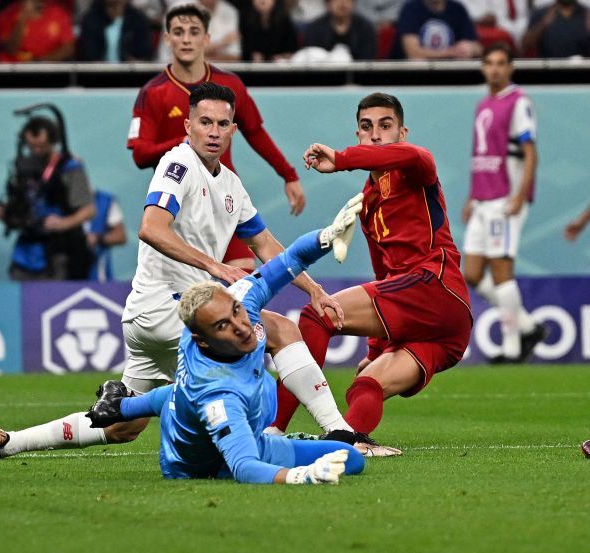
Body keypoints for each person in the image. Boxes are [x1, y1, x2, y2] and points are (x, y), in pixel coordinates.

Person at [0, 83, 394, 460]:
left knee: (121, 426)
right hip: (167, 309)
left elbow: (264, 245)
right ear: (187, 125)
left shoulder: (229, 182)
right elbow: (151, 227)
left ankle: (10, 442)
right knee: (279, 331)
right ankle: (339, 432)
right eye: (204, 122)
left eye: (222, 124)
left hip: (153, 319)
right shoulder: (178, 165)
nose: (213, 131)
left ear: (232, 130)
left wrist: (314, 290)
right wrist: (211, 265)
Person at [85, 231, 369, 484]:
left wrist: (327, 236)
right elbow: (245, 467)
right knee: (238, 411)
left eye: (235, 311)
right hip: (202, 464)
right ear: (203, 340)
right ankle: (122, 408)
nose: (240, 326)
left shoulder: (234, 306)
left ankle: (119, 406)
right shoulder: (219, 395)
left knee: (352, 457)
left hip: (185, 405)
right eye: (223, 326)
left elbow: (288, 260)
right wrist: (301, 475)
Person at [268, 92, 472, 441]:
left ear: (402, 133)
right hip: (446, 331)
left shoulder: (416, 166)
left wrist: (343, 158)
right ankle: (350, 441)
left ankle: (272, 430)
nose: (375, 134)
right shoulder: (367, 203)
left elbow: (411, 155)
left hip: (434, 287)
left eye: (385, 126)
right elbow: (384, 277)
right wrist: (375, 350)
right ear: (358, 134)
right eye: (366, 127)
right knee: (366, 384)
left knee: (319, 315)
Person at [128, 3, 305, 272]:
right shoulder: (153, 93)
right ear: (167, 39)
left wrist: (289, 174)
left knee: (242, 286)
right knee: (193, 298)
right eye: (178, 31)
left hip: (225, 200)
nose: (186, 39)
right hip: (182, 208)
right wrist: (186, 142)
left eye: (194, 31)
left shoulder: (231, 84)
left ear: (206, 38)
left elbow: (255, 132)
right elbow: (140, 154)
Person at [462, 44, 546, 364]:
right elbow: (482, 155)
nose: (494, 69)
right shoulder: (484, 104)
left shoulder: (518, 102)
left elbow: (530, 152)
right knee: (471, 273)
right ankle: (527, 326)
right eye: (489, 63)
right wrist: (471, 196)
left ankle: (512, 347)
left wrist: (520, 195)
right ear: (483, 67)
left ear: (510, 67)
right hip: (482, 199)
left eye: (500, 63)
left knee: (501, 271)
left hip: (504, 200)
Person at [0, 116, 96, 280]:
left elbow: (89, 210)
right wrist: (8, 215)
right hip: (27, 250)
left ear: (53, 141)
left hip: (61, 250)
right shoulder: (23, 167)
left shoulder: (69, 167)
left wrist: (63, 223)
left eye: (41, 146)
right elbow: (17, 203)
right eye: (32, 146)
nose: (37, 150)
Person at [391, 0, 481, 59]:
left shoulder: (458, 9)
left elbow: (478, 48)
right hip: (412, 76)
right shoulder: (410, 8)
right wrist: (451, 52)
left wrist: (470, 48)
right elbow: (413, 53)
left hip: (451, 74)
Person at [0, 0, 75, 61]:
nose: (38, 3)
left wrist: (40, 61)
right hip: (14, 71)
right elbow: (10, 49)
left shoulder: (58, 13)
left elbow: (69, 48)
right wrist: (23, 18)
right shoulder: (7, 15)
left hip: (47, 70)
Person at [78, 0, 155, 61]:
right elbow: (88, 53)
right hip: (97, 75)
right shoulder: (90, 19)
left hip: (130, 75)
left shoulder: (138, 19)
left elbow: (144, 52)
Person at [301, 0, 379, 60]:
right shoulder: (315, 28)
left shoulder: (366, 28)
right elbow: (312, 56)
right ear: (328, 4)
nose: (342, 3)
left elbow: (368, 58)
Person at [522, 0, 590, 58]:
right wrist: (542, 24)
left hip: (581, 69)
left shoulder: (587, 14)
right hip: (547, 69)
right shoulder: (541, 13)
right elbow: (525, 45)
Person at [85, 189, 128, 281]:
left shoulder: (104, 200)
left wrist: (98, 238)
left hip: (98, 275)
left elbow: (121, 236)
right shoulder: (58, 199)